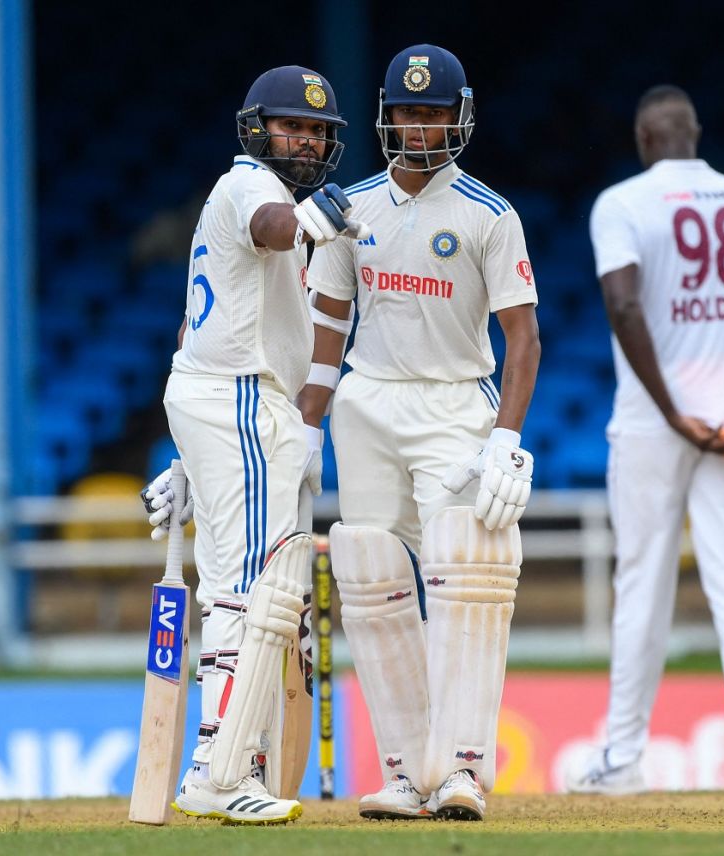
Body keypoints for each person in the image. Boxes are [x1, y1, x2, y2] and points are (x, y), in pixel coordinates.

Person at [297, 44, 541, 822]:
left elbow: (523, 338)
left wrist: (505, 436)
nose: (420, 126)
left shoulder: (489, 214)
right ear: (386, 116)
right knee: (371, 576)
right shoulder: (351, 207)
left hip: (453, 405)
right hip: (367, 404)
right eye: (408, 112)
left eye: (433, 112)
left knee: (467, 574)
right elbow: (328, 320)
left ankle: (464, 767)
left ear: (458, 117)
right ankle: (406, 771)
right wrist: (308, 425)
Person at [140, 64, 367, 824]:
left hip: (223, 397)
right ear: (256, 129)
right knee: (247, 589)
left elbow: (195, 327)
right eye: (290, 125)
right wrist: (314, 221)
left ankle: (221, 752)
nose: (303, 139)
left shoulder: (254, 195)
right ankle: (216, 771)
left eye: (316, 130)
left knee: (241, 586)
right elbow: (275, 231)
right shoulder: (253, 190)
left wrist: (189, 459)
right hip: (239, 397)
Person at [566, 85, 724, 796]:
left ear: (643, 137)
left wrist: (672, 409)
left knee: (642, 583)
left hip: (655, 420)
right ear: (696, 131)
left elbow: (624, 305)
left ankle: (622, 759)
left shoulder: (622, 203)